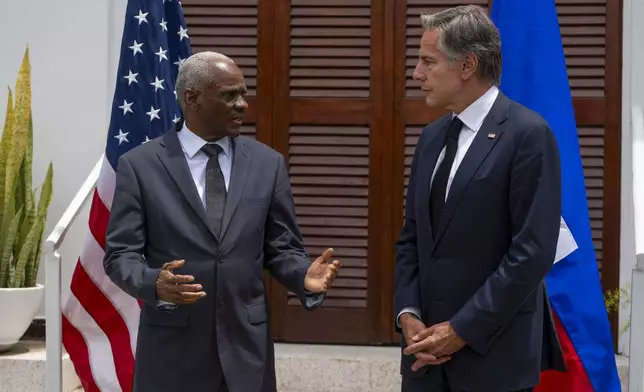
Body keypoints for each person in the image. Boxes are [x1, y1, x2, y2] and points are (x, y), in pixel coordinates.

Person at [103, 51, 341, 392]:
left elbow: (281, 248)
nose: (242, 104)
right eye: (230, 95)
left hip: (246, 353)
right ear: (192, 98)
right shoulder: (140, 166)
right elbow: (120, 255)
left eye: (243, 93)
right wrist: (154, 282)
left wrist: (303, 275)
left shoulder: (267, 164)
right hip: (173, 355)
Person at [394, 5, 565, 392]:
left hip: (493, 360)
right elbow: (412, 238)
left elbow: (532, 251)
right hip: (424, 360)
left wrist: (460, 330)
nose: (417, 74)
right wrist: (407, 313)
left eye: (427, 61)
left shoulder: (527, 135)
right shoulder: (431, 138)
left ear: (467, 65)